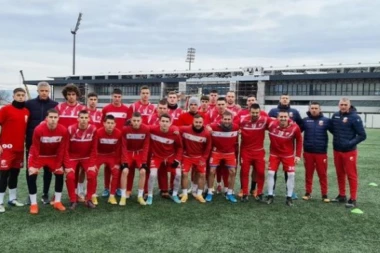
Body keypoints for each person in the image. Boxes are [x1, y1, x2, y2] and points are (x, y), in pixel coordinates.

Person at [27, 109, 67, 214]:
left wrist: (59, 165)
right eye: (51, 117)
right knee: (32, 174)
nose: (53, 120)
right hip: (38, 155)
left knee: (59, 173)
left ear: (58, 119)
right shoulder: (39, 129)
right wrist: (34, 166)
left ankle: (57, 202)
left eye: (55, 117)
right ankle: (34, 204)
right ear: (46, 118)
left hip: (53, 156)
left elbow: (61, 149)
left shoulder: (63, 130)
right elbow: (35, 148)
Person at [25, 81, 58, 205]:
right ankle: (30, 194)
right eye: (42, 91)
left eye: (46, 91)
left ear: (49, 91)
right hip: (32, 143)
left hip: (49, 144)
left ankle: (45, 194)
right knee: (31, 169)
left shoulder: (54, 105)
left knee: (48, 170)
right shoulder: (29, 104)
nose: (44, 93)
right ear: (38, 91)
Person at [330, 98, 366, 208]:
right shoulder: (335, 116)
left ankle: (353, 199)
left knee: (351, 175)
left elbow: (362, 135)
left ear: (349, 105)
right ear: (338, 105)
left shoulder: (355, 117)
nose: (343, 106)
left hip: (349, 151)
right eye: (341, 104)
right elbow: (333, 130)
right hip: (337, 150)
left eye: (345, 104)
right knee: (340, 174)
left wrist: (349, 143)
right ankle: (342, 195)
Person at [55, 84, 86, 202]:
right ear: (65, 96)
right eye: (69, 94)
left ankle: (76, 193)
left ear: (77, 95)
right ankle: (57, 194)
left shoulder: (82, 109)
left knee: (76, 170)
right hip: (61, 144)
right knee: (59, 170)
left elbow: (86, 125)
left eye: (73, 94)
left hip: (76, 144)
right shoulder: (59, 107)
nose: (71, 97)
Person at [0, 88, 30, 213]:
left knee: (15, 174)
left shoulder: (26, 111)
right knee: (3, 174)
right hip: (6, 148)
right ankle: (0, 201)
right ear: (13, 96)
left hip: (19, 149)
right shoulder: (5, 109)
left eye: (23, 95)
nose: (21, 97)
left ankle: (12, 199)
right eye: (18, 95)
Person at [268, 93, 302, 199]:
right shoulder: (272, 113)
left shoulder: (295, 114)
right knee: (272, 172)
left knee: (290, 174)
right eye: (283, 98)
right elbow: (264, 121)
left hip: (288, 151)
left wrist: (292, 131)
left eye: (287, 98)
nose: (285, 99)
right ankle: (270, 192)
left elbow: (300, 129)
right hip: (275, 152)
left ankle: (290, 193)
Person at [125, 86, 155, 197]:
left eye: (147, 93)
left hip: (147, 139)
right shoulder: (133, 106)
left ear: (150, 94)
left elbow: (155, 121)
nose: (145, 95)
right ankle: (128, 190)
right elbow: (128, 122)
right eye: (143, 93)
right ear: (140, 94)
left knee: (144, 166)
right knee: (130, 168)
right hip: (133, 139)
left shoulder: (153, 107)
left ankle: (145, 190)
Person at [64, 110, 98, 210]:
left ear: (89, 119)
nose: (83, 120)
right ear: (78, 118)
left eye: (86, 118)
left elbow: (94, 149)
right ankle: (73, 200)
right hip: (72, 157)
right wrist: (67, 165)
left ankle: (88, 200)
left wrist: (92, 164)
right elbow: (65, 149)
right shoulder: (70, 129)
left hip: (86, 157)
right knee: (70, 176)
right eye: (82, 118)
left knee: (92, 174)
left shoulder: (93, 129)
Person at [147, 114, 183, 205]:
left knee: (178, 174)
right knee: (152, 175)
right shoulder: (153, 130)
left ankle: (174, 194)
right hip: (156, 156)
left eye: (167, 122)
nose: (164, 123)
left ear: (170, 123)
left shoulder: (174, 133)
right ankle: (150, 196)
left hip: (171, 156)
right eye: (163, 121)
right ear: (159, 122)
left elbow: (180, 147)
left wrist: (177, 159)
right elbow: (143, 127)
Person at [239, 104, 271, 202]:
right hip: (246, 151)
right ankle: (245, 193)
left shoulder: (265, 119)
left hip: (259, 151)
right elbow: (231, 122)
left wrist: (290, 122)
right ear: (249, 111)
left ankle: (259, 192)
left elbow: (277, 122)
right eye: (253, 112)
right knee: (244, 172)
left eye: (257, 112)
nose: (255, 114)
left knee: (261, 172)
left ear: (260, 112)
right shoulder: (242, 120)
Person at [101, 88, 129, 198]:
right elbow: (102, 123)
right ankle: (106, 188)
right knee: (107, 166)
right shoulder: (106, 109)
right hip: (108, 140)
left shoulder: (126, 109)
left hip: (121, 141)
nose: (117, 99)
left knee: (118, 165)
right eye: (115, 96)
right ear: (112, 96)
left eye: (119, 97)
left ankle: (117, 187)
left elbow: (128, 125)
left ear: (121, 97)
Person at [206, 111, 239, 203]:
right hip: (216, 152)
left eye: (229, 119)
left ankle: (229, 193)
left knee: (232, 172)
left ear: (232, 120)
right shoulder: (214, 126)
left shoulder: (236, 127)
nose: (227, 121)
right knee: (212, 171)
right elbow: (206, 125)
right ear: (221, 119)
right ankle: (209, 192)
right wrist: (207, 127)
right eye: (225, 119)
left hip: (230, 153)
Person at [301, 102, 331, 203]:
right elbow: (296, 131)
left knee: (322, 174)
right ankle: (308, 193)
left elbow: (336, 131)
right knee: (308, 173)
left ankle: (324, 194)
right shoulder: (305, 121)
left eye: (316, 108)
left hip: (321, 152)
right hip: (308, 152)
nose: (314, 110)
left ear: (320, 109)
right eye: (312, 108)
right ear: (309, 109)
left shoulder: (326, 121)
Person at [179, 114, 212, 203]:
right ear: (192, 122)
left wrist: (204, 158)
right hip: (187, 157)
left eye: (200, 122)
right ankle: (185, 194)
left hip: (199, 157)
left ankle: (199, 194)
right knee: (184, 174)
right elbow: (174, 128)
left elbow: (208, 148)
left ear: (203, 123)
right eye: (196, 122)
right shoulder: (185, 129)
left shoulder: (207, 133)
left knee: (202, 175)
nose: (198, 124)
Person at [121, 112, 150, 206]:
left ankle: (140, 196)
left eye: (138, 120)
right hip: (128, 153)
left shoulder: (145, 129)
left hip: (140, 153)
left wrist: (144, 161)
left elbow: (146, 146)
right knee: (125, 171)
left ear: (141, 121)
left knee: (143, 172)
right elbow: (124, 146)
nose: (136, 122)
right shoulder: (125, 129)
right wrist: (125, 160)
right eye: (134, 120)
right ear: (131, 121)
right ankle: (123, 196)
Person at [96, 115, 122, 205]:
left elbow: (119, 150)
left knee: (116, 171)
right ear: (104, 123)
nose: (110, 125)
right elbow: (94, 149)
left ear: (115, 124)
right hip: (99, 155)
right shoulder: (98, 132)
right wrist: (92, 163)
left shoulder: (119, 133)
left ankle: (112, 196)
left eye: (112, 123)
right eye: (108, 123)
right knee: (93, 172)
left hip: (112, 156)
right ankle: (92, 195)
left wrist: (117, 163)